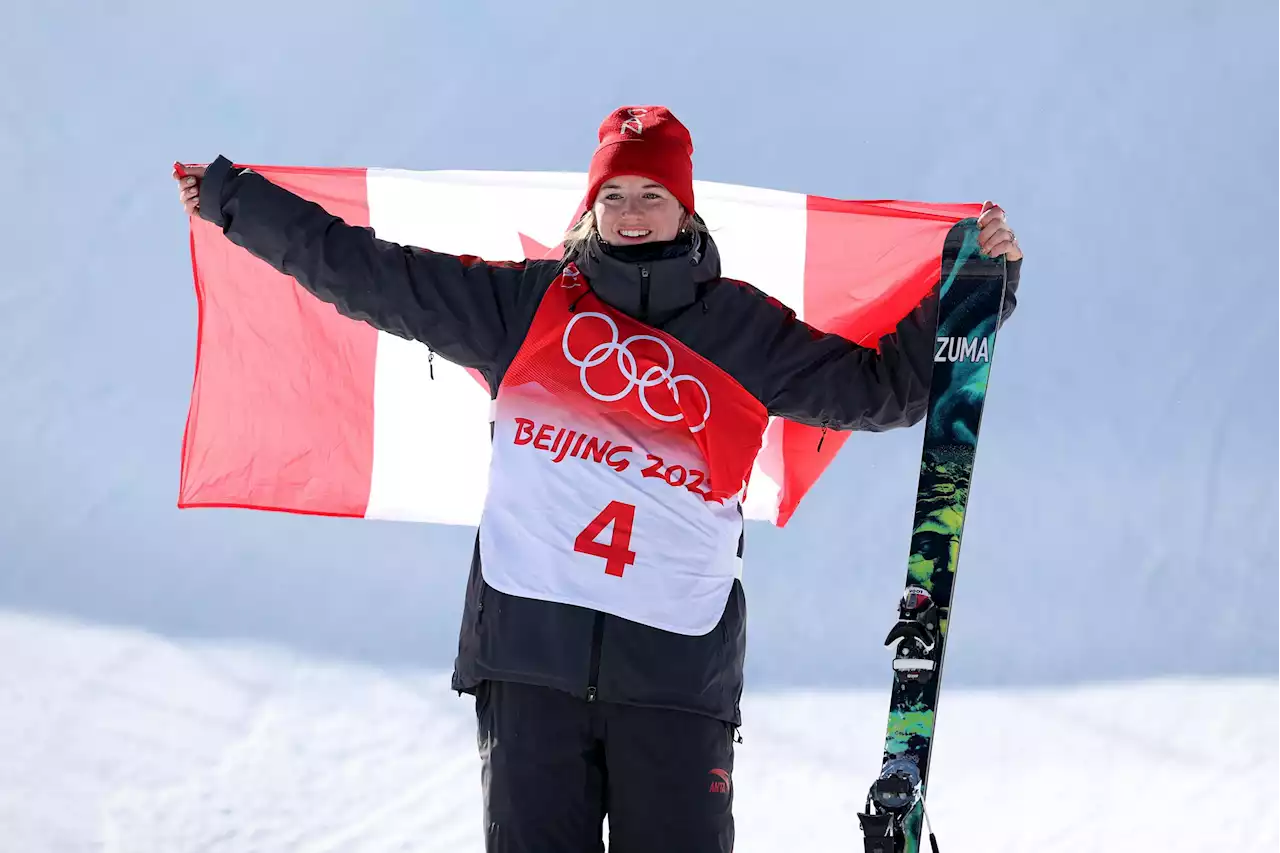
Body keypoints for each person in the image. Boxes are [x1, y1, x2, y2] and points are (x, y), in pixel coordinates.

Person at [174, 105, 1022, 853]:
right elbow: (369, 272)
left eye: (651, 195)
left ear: (685, 206)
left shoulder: (741, 329)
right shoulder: (523, 306)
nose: (631, 214)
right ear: (589, 208)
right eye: (613, 196)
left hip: (676, 683)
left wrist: (976, 292)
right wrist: (237, 202)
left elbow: (875, 388)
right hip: (531, 672)